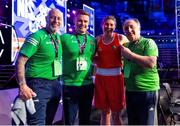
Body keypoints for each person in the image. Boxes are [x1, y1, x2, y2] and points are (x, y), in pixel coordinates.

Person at [15, 8, 63, 125]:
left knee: (48, 122)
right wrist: (22, 85)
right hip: (38, 85)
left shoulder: (57, 37)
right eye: (52, 17)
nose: (56, 21)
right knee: (37, 123)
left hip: (55, 85)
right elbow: (20, 61)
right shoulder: (36, 36)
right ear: (46, 19)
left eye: (59, 18)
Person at [121, 18, 160, 125]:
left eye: (131, 27)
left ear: (139, 28)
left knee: (147, 123)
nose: (129, 30)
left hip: (147, 90)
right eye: (126, 28)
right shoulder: (126, 46)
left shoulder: (148, 42)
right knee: (133, 123)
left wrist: (130, 55)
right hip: (130, 91)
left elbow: (151, 63)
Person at [60, 9, 96, 125]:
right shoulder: (64, 38)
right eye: (80, 21)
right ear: (74, 22)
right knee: (69, 121)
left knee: (85, 120)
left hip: (88, 86)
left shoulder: (92, 40)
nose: (83, 24)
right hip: (70, 86)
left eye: (85, 21)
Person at [94, 15, 127, 125]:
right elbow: (92, 58)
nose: (109, 27)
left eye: (111, 25)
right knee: (104, 113)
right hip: (101, 79)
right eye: (106, 24)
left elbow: (132, 50)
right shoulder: (97, 40)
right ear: (102, 25)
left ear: (115, 26)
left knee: (116, 114)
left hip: (116, 80)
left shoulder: (120, 38)